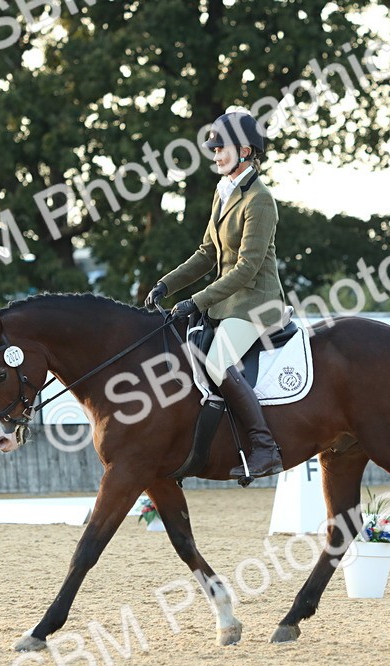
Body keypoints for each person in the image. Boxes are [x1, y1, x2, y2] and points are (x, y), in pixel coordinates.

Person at [145, 110, 285, 480]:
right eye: (214, 149)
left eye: (221, 149)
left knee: (217, 362)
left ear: (244, 150)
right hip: (227, 303)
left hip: (257, 304)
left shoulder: (259, 199)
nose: (216, 155)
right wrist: (167, 284)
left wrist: (197, 300)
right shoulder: (224, 193)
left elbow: (247, 268)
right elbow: (207, 253)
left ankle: (265, 447)